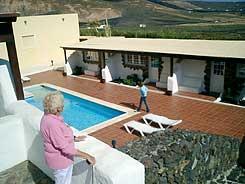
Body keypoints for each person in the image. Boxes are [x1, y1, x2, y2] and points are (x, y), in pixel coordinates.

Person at [40, 91, 96, 184]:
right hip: (60, 161)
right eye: (62, 105)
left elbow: (58, 136)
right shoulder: (53, 124)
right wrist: (87, 156)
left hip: (60, 160)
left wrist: (74, 138)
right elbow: (65, 148)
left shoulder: (47, 117)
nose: (63, 107)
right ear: (58, 109)